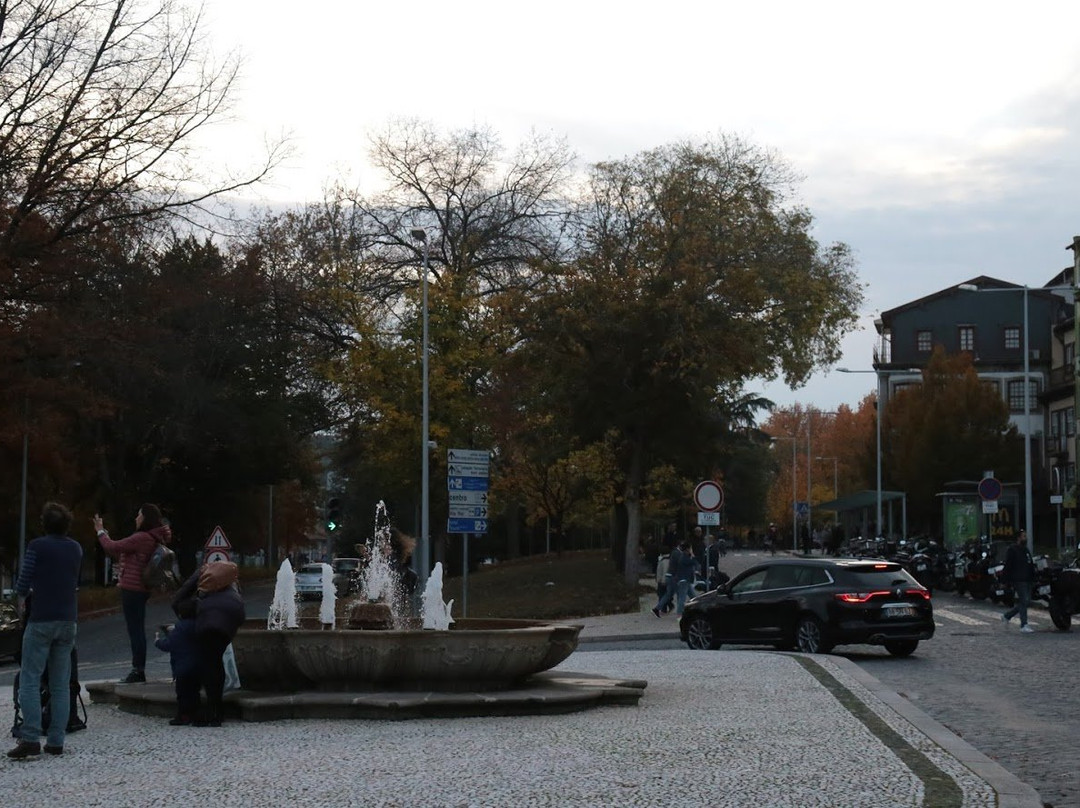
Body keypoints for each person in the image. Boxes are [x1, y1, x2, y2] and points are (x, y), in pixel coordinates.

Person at [8, 502, 83, 760]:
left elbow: (24, 579)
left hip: (41, 619)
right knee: (60, 684)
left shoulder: (37, 546)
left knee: (29, 678)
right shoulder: (76, 548)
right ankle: (56, 741)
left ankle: (29, 737)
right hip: (68, 620)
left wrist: (19, 601)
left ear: (44, 524)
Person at [94, 504, 172, 683]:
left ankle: (138, 670)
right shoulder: (154, 537)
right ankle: (139, 668)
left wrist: (100, 531)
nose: (136, 518)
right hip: (142, 588)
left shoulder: (141, 537)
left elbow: (113, 547)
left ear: (145, 518)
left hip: (132, 588)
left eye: (139, 515)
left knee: (135, 630)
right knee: (137, 628)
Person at [172, 560, 246, 726]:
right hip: (233, 615)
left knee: (209, 667)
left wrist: (184, 616)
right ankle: (215, 710)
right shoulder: (228, 579)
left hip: (211, 623)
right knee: (215, 661)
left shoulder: (204, 580)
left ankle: (212, 713)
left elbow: (177, 599)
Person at [154, 598, 200, 725]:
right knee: (194, 692)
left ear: (180, 615)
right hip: (197, 666)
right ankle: (196, 715)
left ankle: (183, 716)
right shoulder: (198, 626)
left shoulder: (179, 630)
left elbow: (168, 645)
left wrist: (157, 641)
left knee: (182, 694)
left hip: (182, 668)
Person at [1001, 530, 1036, 633]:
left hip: (1027, 579)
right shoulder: (1012, 550)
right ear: (1018, 538)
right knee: (1024, 600)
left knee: (1025, 601)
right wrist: (1004, 580)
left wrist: (1033, 576)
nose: (1026, 538)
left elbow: (1030, 563)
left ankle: (1007, 616)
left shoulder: (1025, 550)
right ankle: (1024, 624)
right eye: (1024, 536)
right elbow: (1008, 565)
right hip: (1018, 579)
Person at [653, 540, 697, 617]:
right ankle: (680, 613)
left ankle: (658, 608)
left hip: (675, 577)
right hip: (675, 577)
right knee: (681, 595)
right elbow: (684, 564)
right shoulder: (677, 554)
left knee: (670, 594)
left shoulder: (676, 553)